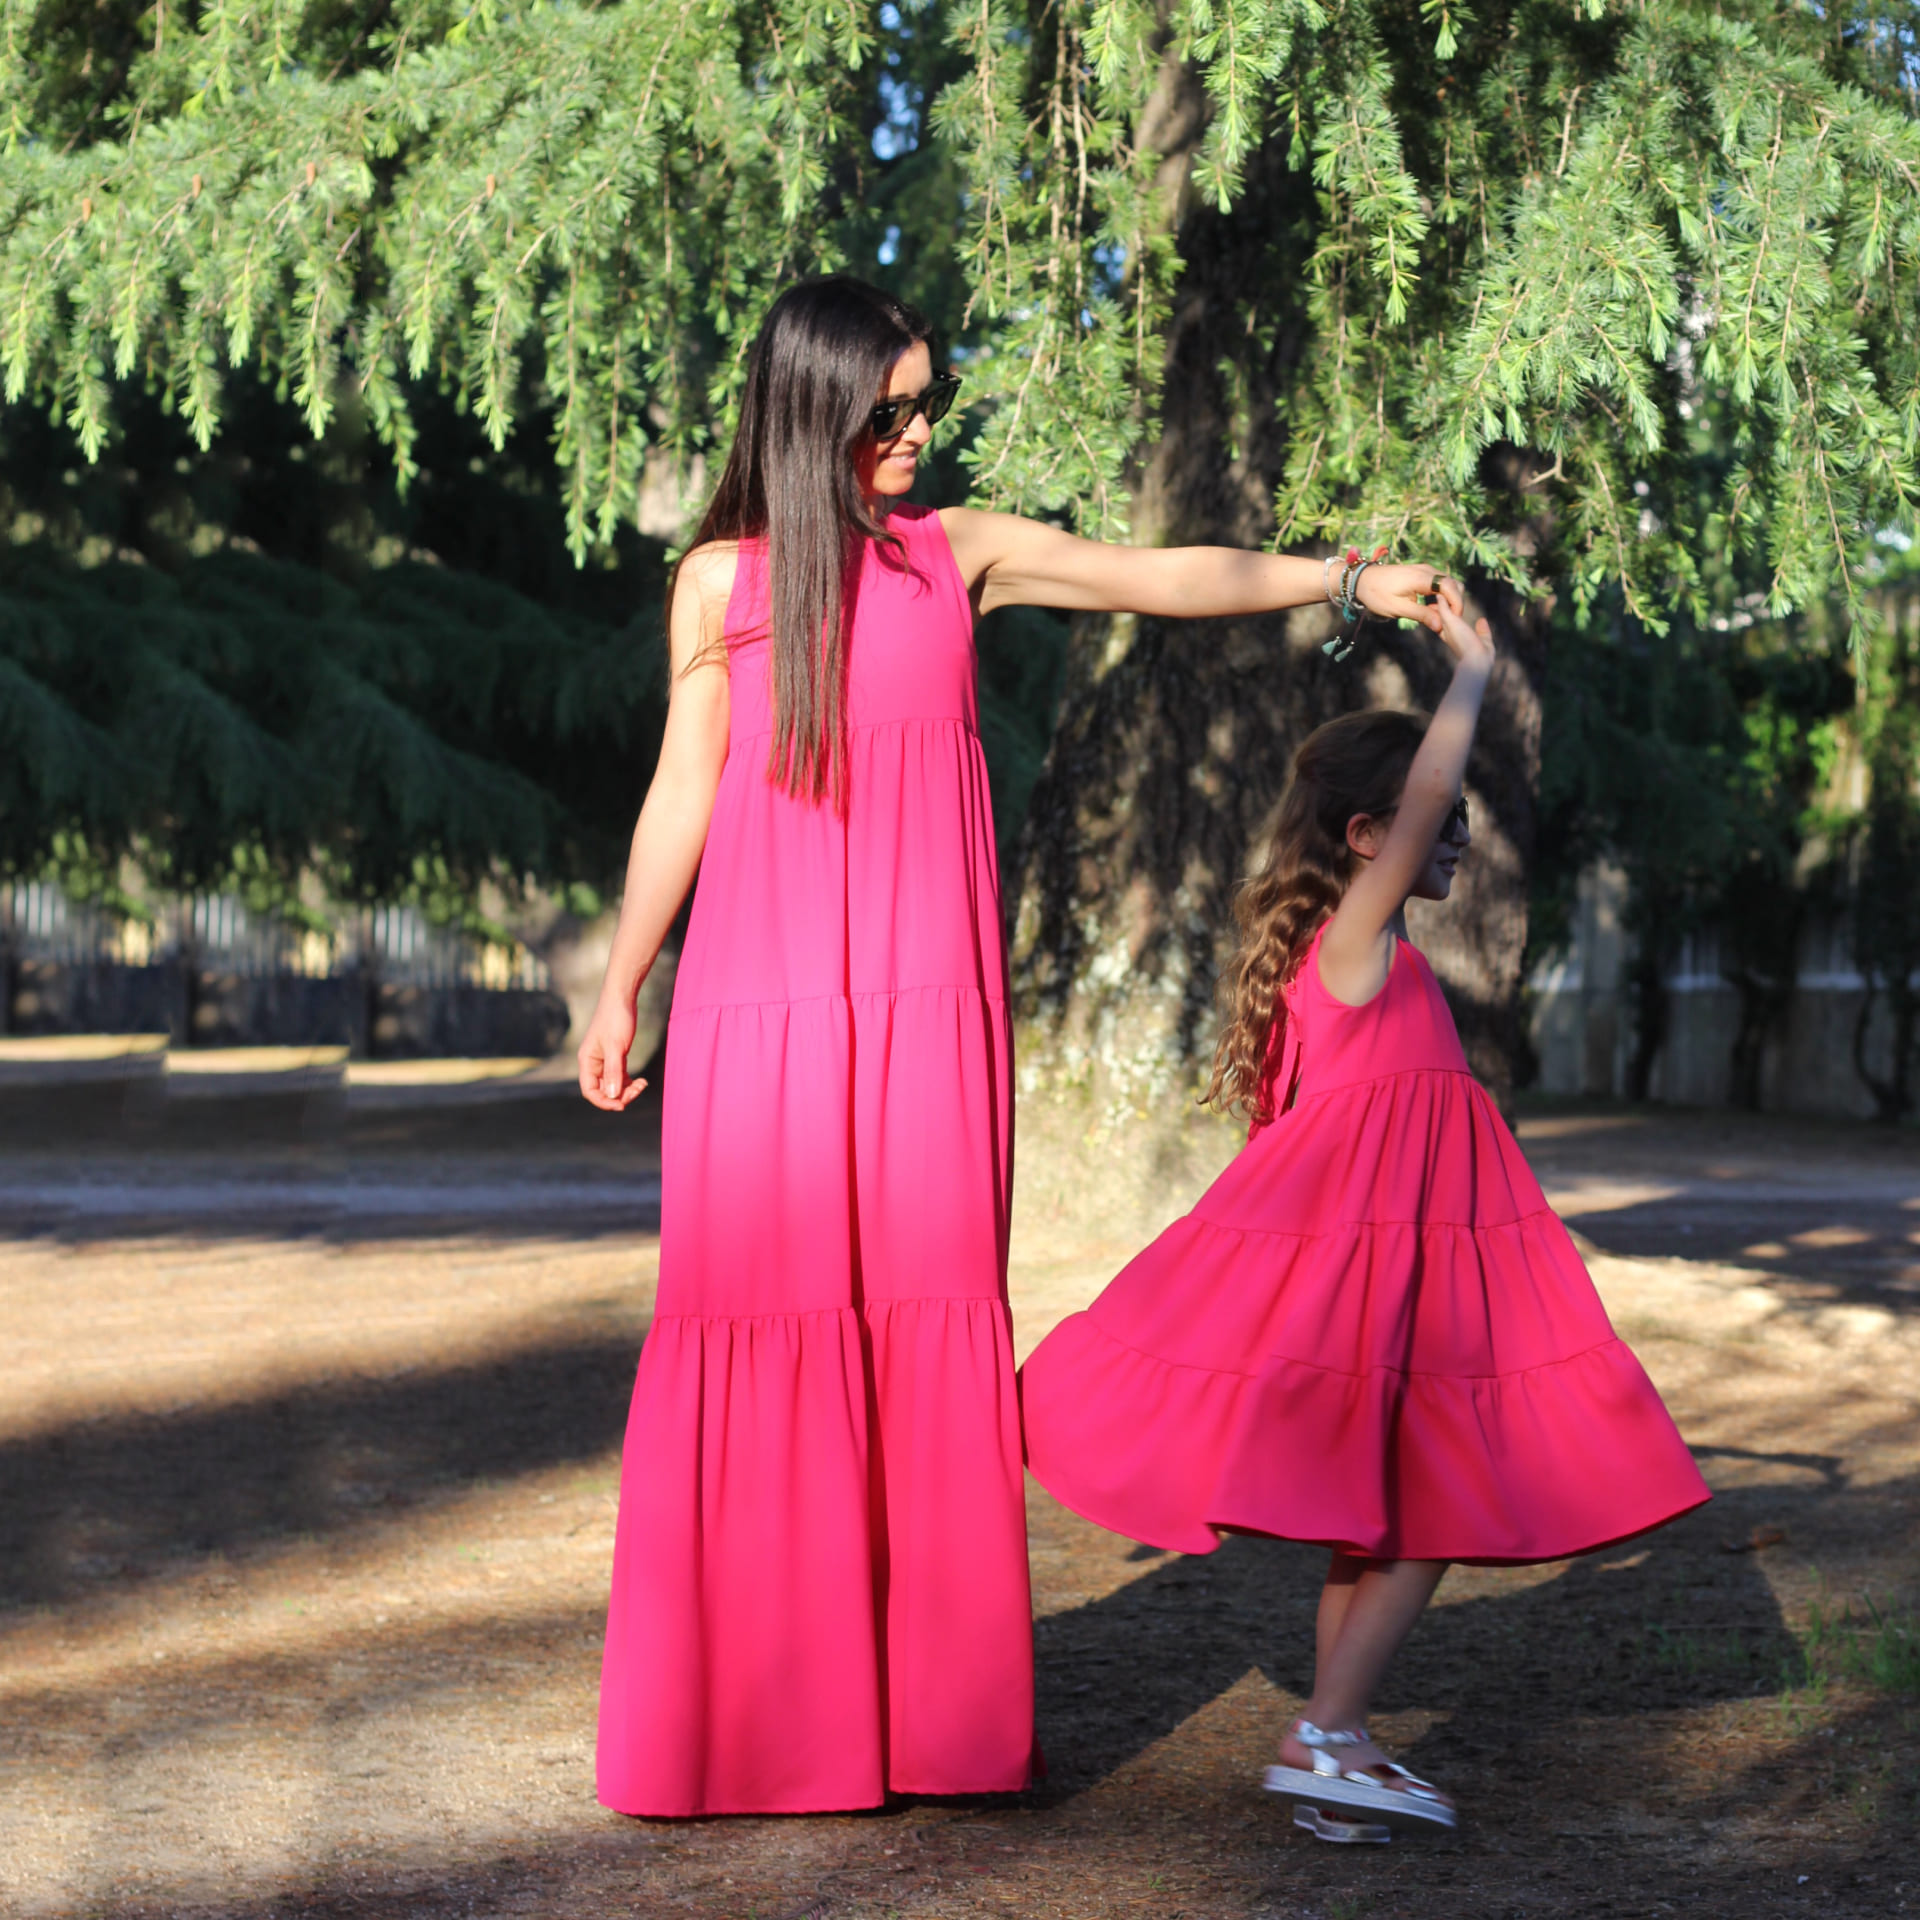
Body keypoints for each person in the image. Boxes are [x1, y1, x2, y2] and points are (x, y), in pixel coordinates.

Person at [578, 274, 1461, 1817]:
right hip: (756, 1013)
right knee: (764, 1317)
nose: (918, 432)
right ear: (811, 412)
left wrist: (1346, 579)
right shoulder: (718, 582)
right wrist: (621, 979)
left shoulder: (957, 555)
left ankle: (927, 1726)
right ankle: (757, 1728)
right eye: (889, 412)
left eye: (929, 403)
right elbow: (684, 788)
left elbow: (1158, 579)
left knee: (920, 1317)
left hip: (926, 1015)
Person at [1019, 597, 1710, 1838]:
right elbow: (1433, 775)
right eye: (1439, 822)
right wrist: (1475, 672)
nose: (1460, 835)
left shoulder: (1344, 967)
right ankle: (1327, 1735)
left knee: (1390, 1509)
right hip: (1391, 1274)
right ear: (1365, 837)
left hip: (1410, 1274)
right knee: (1430, 1500)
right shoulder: (1353, 940)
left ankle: (1329, 1746)